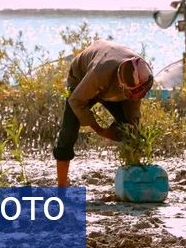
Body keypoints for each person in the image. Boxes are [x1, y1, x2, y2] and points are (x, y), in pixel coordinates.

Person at [53, 40, 154, 187]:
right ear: (122, 85)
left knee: (133, 132)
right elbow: (76, 100)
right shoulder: (99, 73)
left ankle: (134, 180)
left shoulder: (142, 73)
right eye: (134, 93)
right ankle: (61, 186)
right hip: (81, 80)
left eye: (141, 92)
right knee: (68, 132)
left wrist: (129, 132)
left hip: (114, 82)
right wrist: (100, 130)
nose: (139, 97)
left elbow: (133, 115)